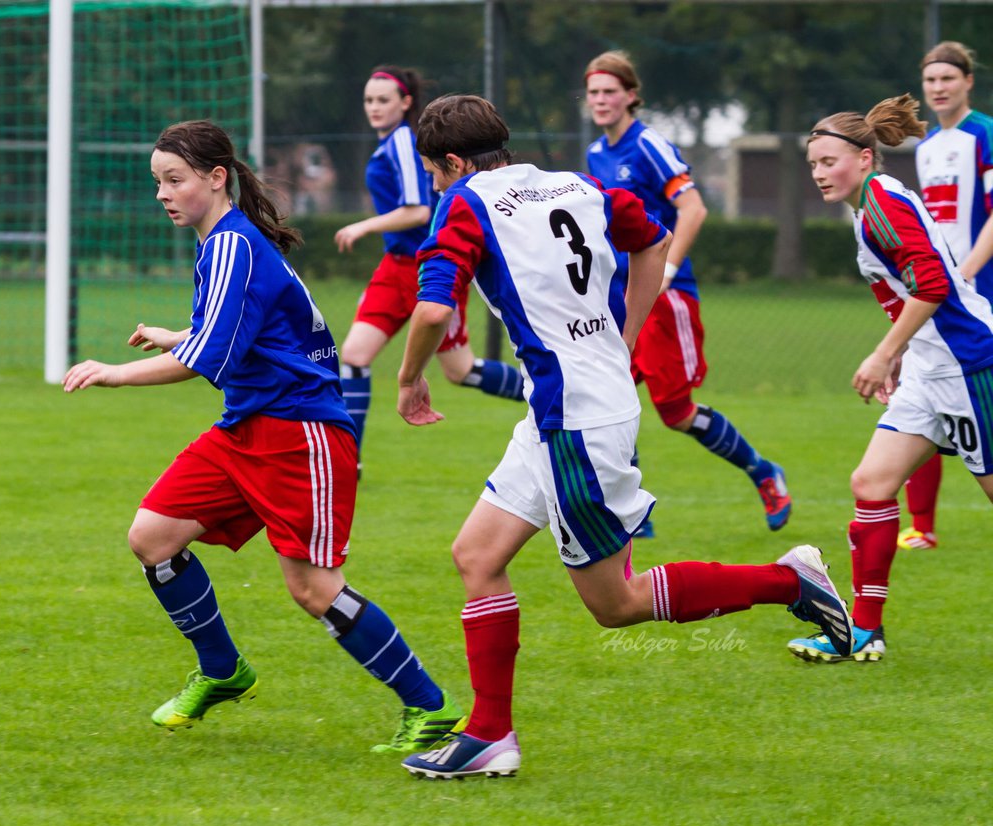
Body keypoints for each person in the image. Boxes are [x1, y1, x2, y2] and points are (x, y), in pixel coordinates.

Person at [392, 95, 854, 779]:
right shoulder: (579, 184)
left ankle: (788, 581)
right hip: (560, 410)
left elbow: (432, 307)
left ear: (455, 162)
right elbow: (655, 241)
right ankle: (491, 735)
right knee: (476, 556)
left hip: (576, 422)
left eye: (435, 172)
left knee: (616, 604)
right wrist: (625, 337)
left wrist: (408, 379)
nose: (436, 185)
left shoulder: (464, 202)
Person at [62, 120, 465, 752]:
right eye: (157, 182)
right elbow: (236, 333)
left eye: (174, 180)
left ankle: (428, 706)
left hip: (300, 433)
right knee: (153, 537)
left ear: (216, 178)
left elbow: (205, 358)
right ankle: (224, 670)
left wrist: (114, 374)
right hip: (248, 424)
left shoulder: (233, 245)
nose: (162, 194)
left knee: (312, 587)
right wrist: (178, 335)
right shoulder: (221, 244)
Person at [791, 95, 993, 663]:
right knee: (872, 483)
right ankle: (863, 630)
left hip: (968, 366)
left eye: (829, 161)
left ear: (863, 156)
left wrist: (883, 354)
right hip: (932, 369)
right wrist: (904, 356)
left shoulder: (880, 204)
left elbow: (932, 283)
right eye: (812, 164)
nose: (819, 173)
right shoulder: (870, 205)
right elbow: (913, 287)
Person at [583, 51, 791, 535]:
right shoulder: (597, 152)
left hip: (664, 296)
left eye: (610, 91)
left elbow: (693, 209)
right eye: (593, 92)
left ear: (631, 96)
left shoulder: (648, 145)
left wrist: (669, 268)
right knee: (605, 397)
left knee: (675, 413)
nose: (600, 100)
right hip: (619, 294)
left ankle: (763, 472)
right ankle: (633, 515)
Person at [334, 65, 523, 474]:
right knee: (352, 355)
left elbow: (418, 210)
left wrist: (364, 224)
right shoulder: (388, 145)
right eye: (369, 99)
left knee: (461, 371)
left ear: (405, 104)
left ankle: (539, 391)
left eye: (383, 100)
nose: (374, 107)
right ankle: (349, 460)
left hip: (433, 268)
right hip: (396, 265)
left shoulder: (405, 141)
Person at [902, 41, 993, 550]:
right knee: (922, 395)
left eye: (947, 79)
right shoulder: (927, 145)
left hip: (980, 292)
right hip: (944, 297)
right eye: (931, 80)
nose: (938, 88)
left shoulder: (984, 133)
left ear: (967, 81)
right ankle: (923, 527)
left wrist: (968, 269)